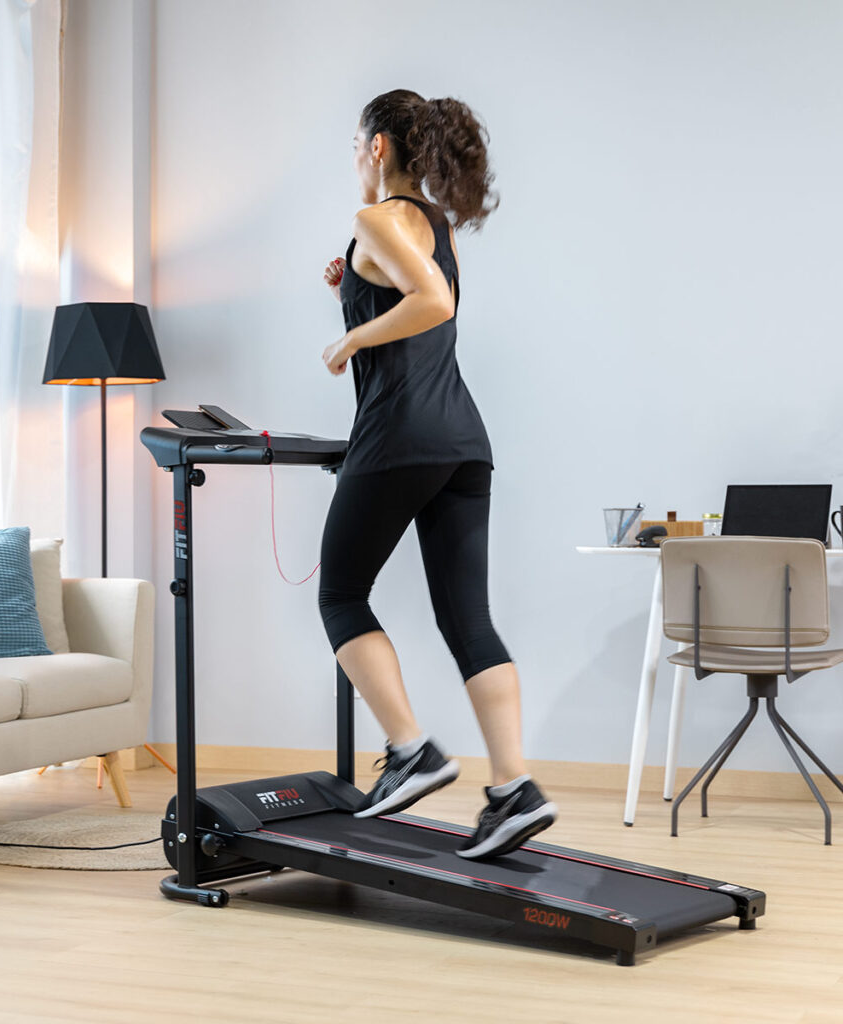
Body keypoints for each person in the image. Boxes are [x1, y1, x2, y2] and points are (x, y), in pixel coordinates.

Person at [317, 89, 556, 860]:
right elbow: (417, 295)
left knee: (341, 594)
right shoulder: (432, 226)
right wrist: (350, 288)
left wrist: (349, 342)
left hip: (400, 440)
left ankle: (412, 750)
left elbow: (433, 302)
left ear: (378, 146)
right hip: (463, 443)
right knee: (468, 620)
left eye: (356, 144)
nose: (354, 158)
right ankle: (513, 788)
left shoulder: (375, 218)